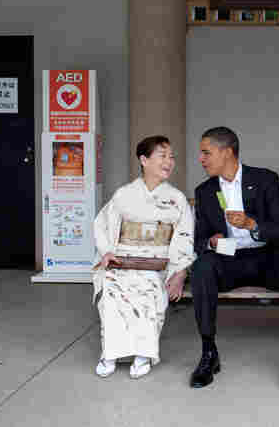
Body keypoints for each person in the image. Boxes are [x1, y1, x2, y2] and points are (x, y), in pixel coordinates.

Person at [190, 127, 279, 390]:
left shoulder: (265, 180)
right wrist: (210, 241)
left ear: (227, 152)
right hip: (229, 257)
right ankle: (209, 352)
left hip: (267, 256)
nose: (201, 158)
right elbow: (198, 238)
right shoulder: (205, 191)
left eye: (206, 152)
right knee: (202, 268)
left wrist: (252, 224)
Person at [92, 135, 195, 379]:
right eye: (162, 156)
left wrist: (179, 271)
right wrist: (107, 251)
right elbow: (102, 224)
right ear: (144, 160)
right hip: (123, 259)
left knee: (150, 294)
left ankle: (143, 353)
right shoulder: (124, 194)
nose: (169, 161)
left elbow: (184, 236)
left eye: (171, 157)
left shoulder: (176, 199)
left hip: (158, 263)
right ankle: (110, 352)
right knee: (111, 289)